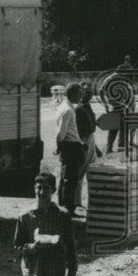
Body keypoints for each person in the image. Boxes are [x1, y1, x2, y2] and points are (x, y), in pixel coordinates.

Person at [55, 83, 85, 212]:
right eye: (79, 94)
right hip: (70, 147)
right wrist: (58, 147)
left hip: (71, 145)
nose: (81, 96)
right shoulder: (67, 110)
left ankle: (64, 206)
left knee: (66, 178)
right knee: (69, 180)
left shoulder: (65, 107)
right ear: (72, 94)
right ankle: (67, 208)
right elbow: (60, 133)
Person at [73, 83, 98, 214]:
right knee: (80, 172)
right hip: (83, 140)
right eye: (86, 92)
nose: (88, 95)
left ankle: (90, 200)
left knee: (91, 170)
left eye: (90, 92)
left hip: (90, 139)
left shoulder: (87, 106)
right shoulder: (78, 109)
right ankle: (76, 201)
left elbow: (92, 127)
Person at [99, 66, 135, 154]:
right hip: (115, 106)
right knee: (117, 127)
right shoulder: (113, 78)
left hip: (120, 106)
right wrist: (106, 104)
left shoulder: (118, 78)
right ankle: (117, 147)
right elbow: (101, 91)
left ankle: (114, 147)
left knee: (118, 127)